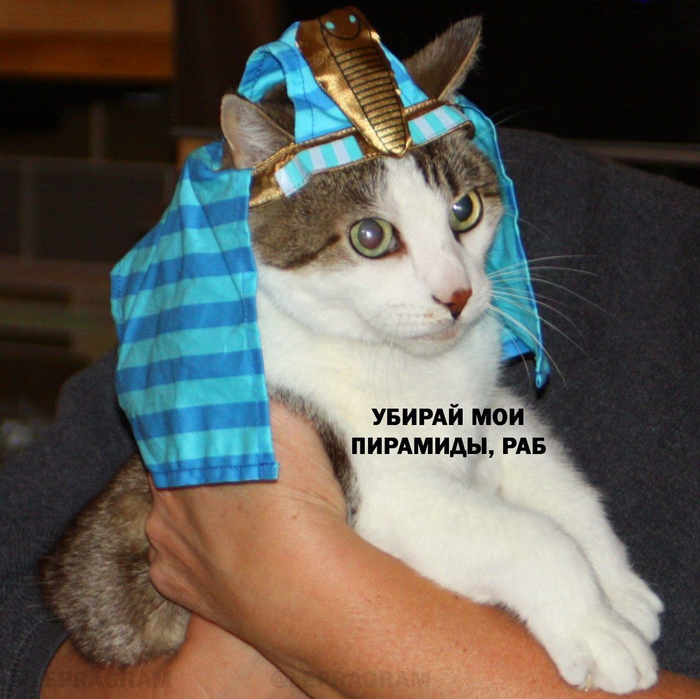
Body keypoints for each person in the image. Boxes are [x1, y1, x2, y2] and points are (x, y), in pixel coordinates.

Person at [1, 128, 698, 699]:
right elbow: (395, 502)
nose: (454, 285)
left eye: (463, 217)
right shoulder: (254, 338)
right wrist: (551, 569)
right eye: (372, 237)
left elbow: (481, 434)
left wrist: (592, 549)